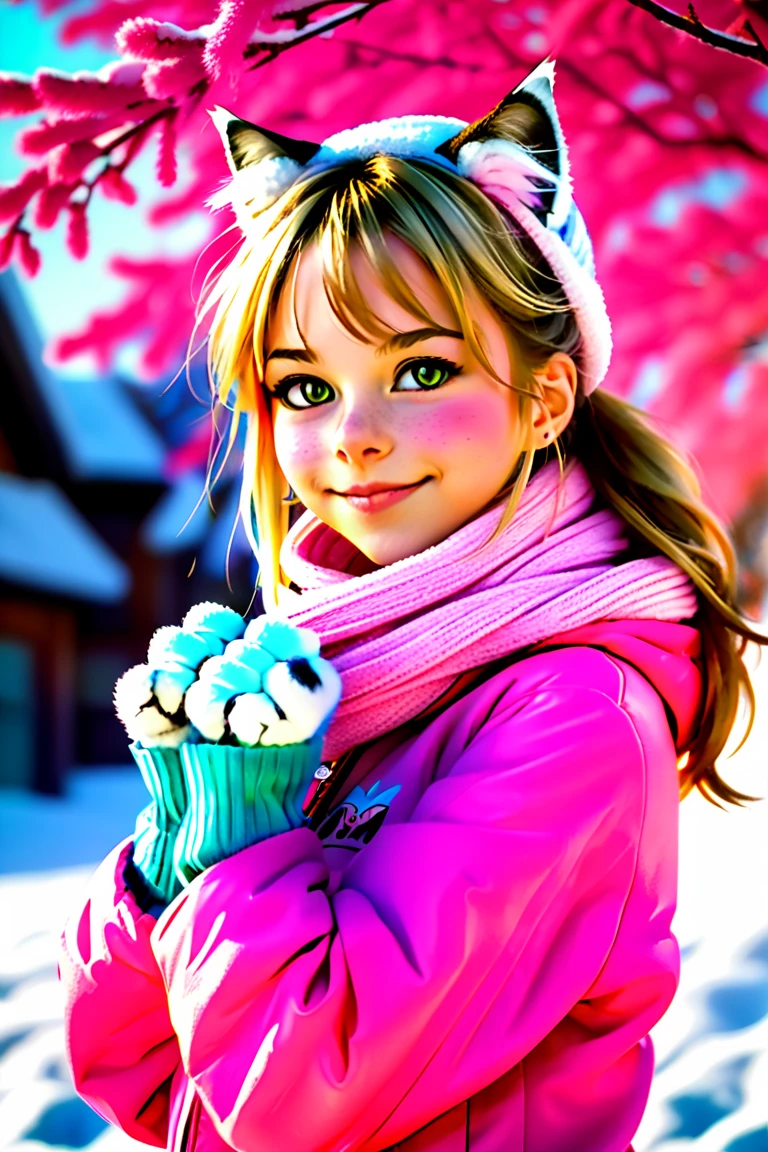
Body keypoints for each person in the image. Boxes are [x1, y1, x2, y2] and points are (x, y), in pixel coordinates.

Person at [58, 59, 767, 1152]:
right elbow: (150, 1085)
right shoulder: (350, 677)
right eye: (305, 385)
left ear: (543, 396)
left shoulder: (571, 715)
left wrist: (246, 846)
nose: (351, 435)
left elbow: (292, 1105)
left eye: (422, 370)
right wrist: (175, 852)